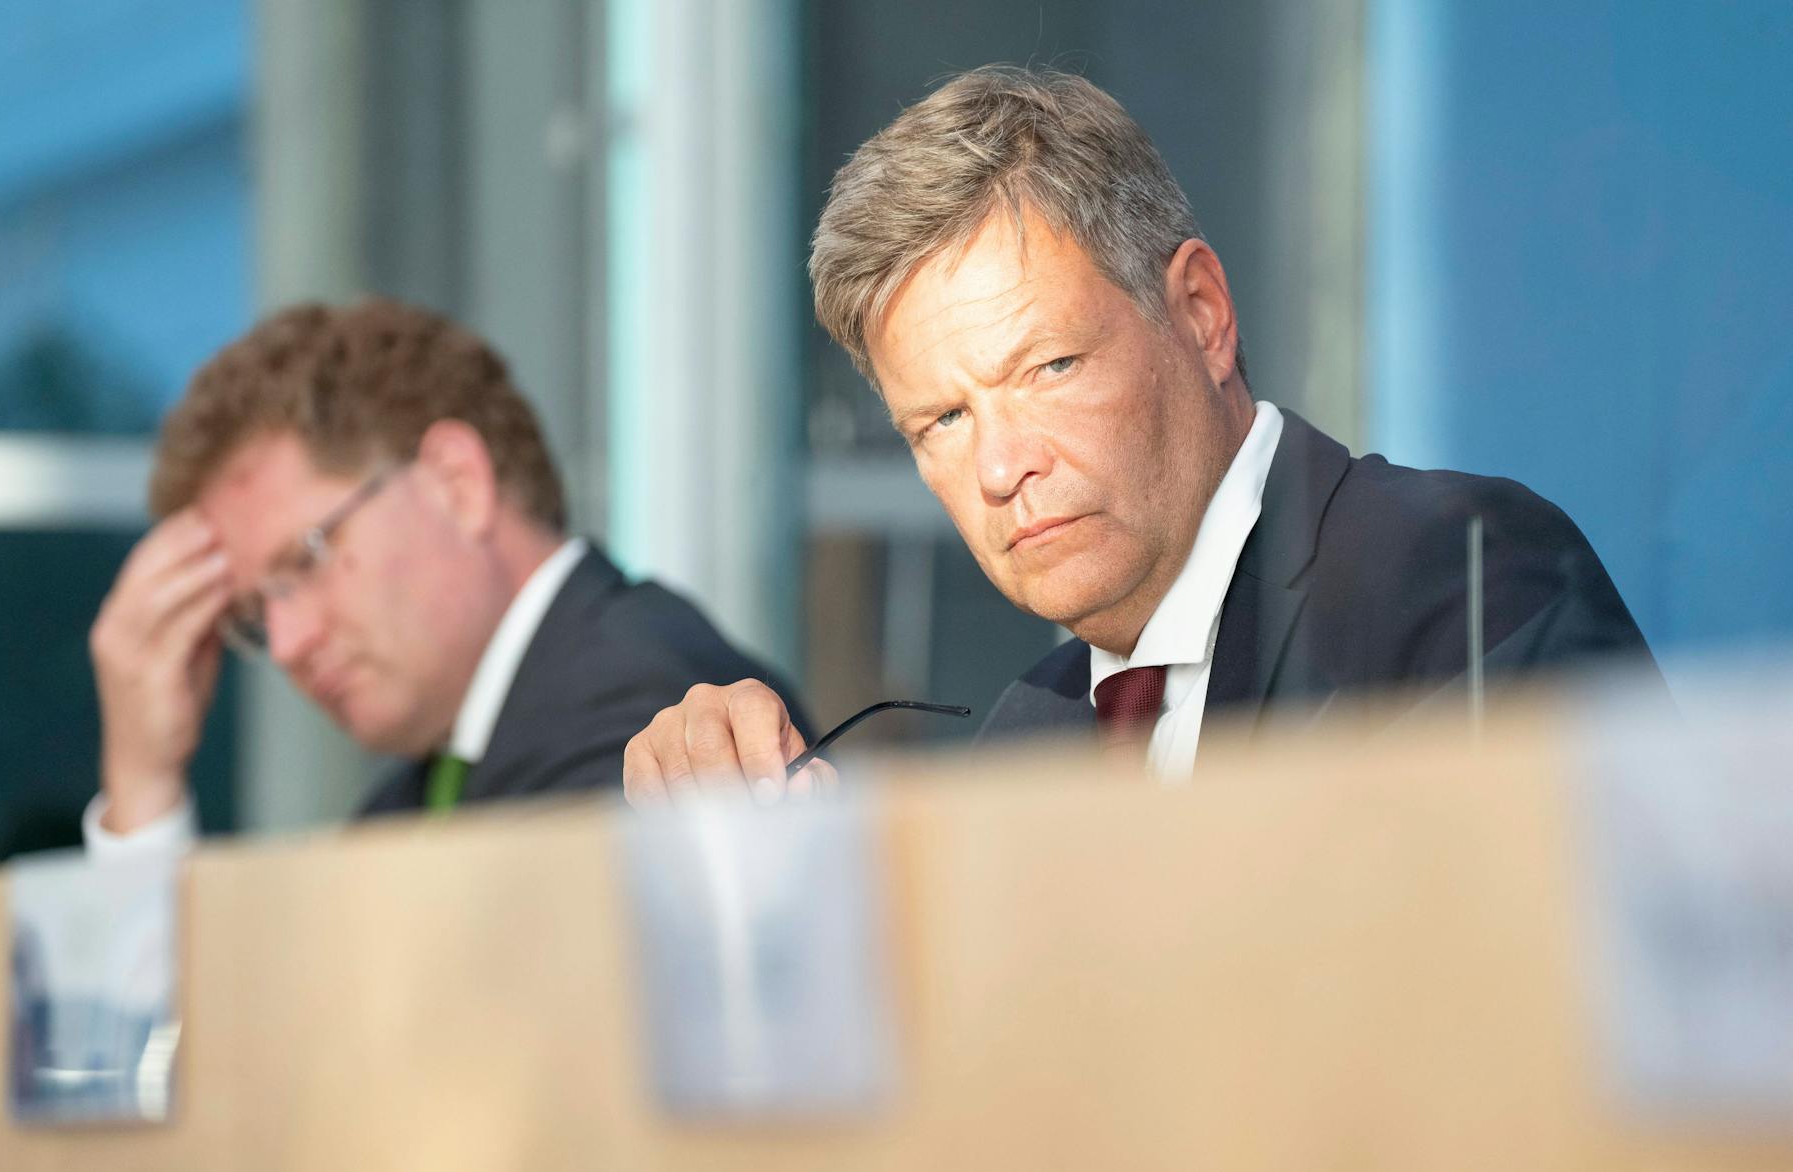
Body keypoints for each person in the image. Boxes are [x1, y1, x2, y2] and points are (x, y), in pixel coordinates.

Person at [622, 66, 1654, 800]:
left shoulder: (1451, 576)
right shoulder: (1025, 741)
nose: (999, 466)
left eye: (1048, 367)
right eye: (943, 418)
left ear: (1201, 315)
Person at [86, 298, 808, 852]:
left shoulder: (642, 719)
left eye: (305, 559)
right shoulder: (419, 795)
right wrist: (143, 780)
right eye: (252, 614)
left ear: (456, 483)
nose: (286, 643)